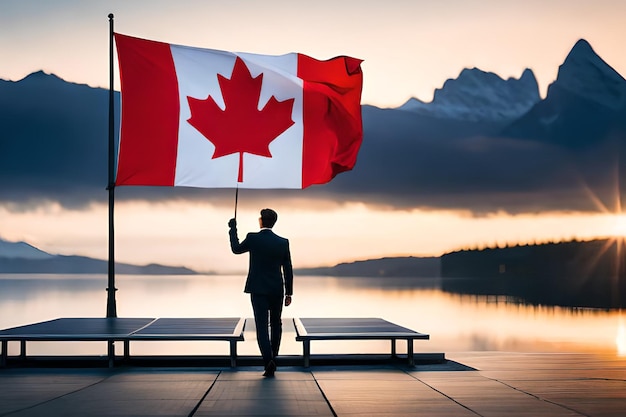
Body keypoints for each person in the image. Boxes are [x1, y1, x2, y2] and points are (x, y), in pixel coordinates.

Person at [228, 208, 293, 377]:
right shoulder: (283, 242)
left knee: (262, 327)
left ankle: (268, 361)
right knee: (276, 324)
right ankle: (274, 357)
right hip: (277, 289)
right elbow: (288, 268)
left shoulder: (253, 238)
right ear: (274, 222)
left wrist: (232, 229)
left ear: (260, 221)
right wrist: (289, 293)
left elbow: (236, 249)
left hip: (257, 289)